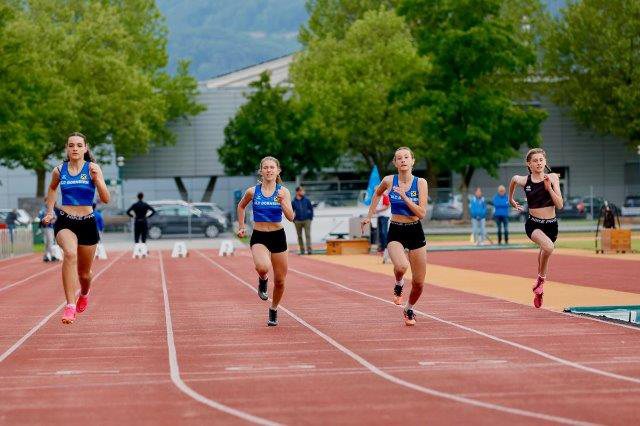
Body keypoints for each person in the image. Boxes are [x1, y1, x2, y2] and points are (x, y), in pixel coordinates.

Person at [42, 132, 110, 324]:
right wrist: (50, 211)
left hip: (88, 223)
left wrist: (97, 180)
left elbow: (105, 199)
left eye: (79, 145)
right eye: (71, 145)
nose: (75, 149)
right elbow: (52, 189)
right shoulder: (59, 170)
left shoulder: (93, 168)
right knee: (70, 254)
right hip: (65, 221)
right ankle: (70, 306)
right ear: (66, 148)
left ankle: (85, 293)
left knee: (84, 274)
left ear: (85, 148)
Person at [361, 147, 428, 326]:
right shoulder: (389, 180)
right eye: (399, 158)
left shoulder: (421, 183)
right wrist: (369, 216)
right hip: (396, 230)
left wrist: (405, 197)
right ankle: (399, 283)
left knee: (419, 283)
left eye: (406, 157)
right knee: (401, 266)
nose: (403, 160)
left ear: (412, 161)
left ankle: (409, 308)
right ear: (395, 163)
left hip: (415, 230)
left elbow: (422, 213)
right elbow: (377, 193)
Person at [237, 156, 294, 326]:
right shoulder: (252, 191)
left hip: (278, 236)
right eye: (266, 167)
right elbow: (241, 206)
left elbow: (291, 217)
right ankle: (263, 279)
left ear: (278, 171)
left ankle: (273, 309)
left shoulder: (283, 192)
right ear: (261, 171)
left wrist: (283, 203)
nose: (269, 170)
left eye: (272, 167)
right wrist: (241, 226)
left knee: (280, 281)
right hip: (259, 235)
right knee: (263, 267)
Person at [509, 148, 563, 308]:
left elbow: (560, 205)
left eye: (541, 160)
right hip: (534, 224)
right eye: (535, 161)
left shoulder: (552, 178)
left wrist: (549, 188)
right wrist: (511, 199)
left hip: (551, 225)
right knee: (548, 247)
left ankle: (539, 287)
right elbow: (513, 179)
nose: (539, 163)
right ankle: (541, 280)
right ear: (529, 164)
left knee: (544, 253)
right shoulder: (525, 180)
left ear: (545, 162)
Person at [291, 186, 314, 255]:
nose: (303, 192)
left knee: (308, 235)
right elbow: (291, 211)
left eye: (303, 191)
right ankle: (302, 250)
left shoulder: (307, 200)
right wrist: (294, 220)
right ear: (297, 192)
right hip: (297, 221)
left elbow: (311, 209)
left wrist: (310, 218)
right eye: (301, 191)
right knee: (299, 236)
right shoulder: (293, 202)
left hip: (307, 220)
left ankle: (309, 250)